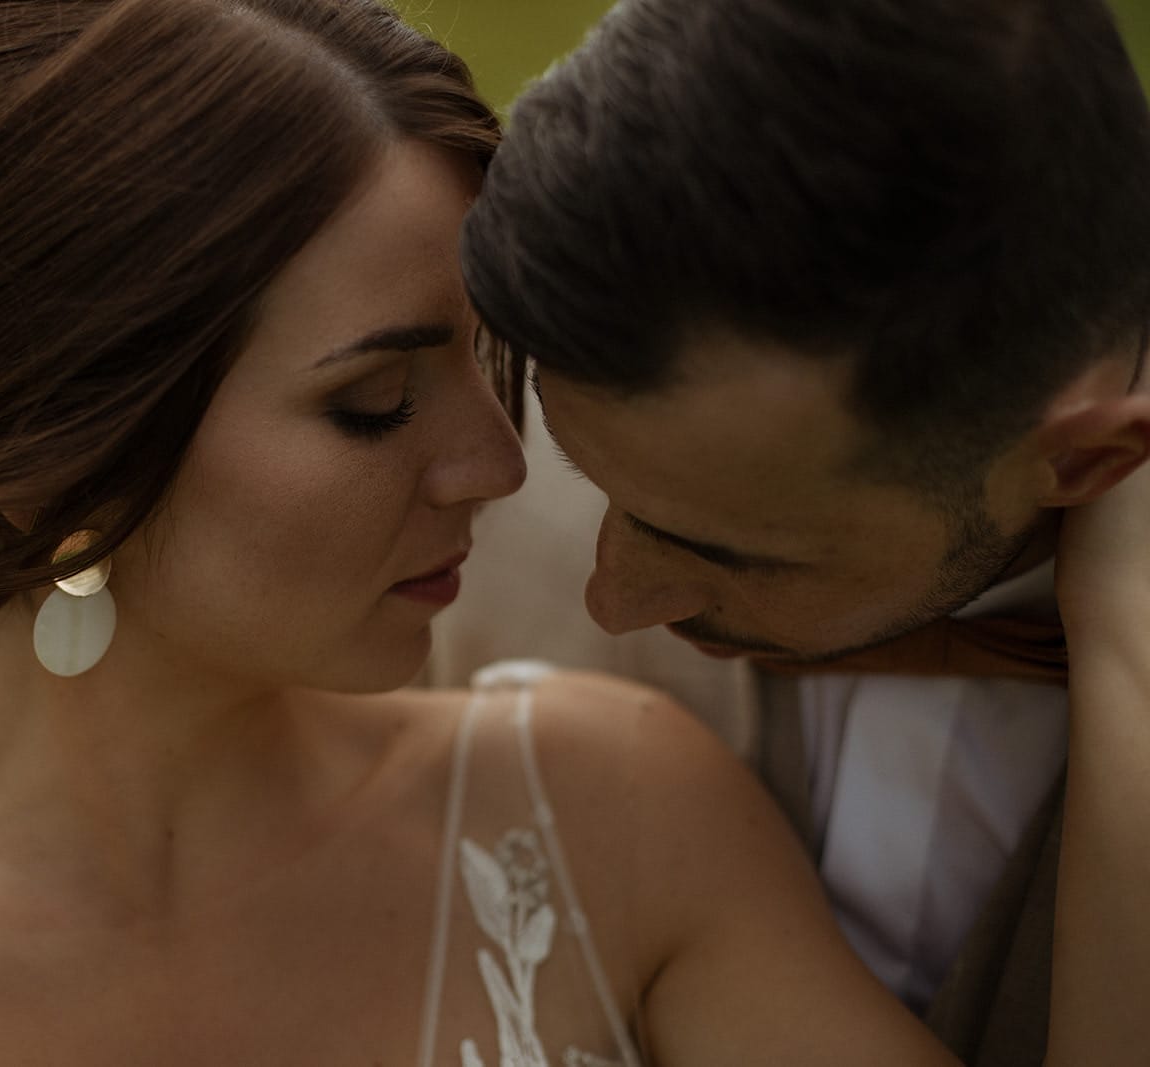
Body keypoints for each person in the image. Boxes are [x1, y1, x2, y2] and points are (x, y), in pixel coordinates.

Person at [0, 1, 1135, 1065]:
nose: (499, 469)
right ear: (54, 452)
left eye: (485, 361)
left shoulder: (614, 807)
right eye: (376, 404)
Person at [440, 0, 1150, 1063]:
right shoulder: (471, 538)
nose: (611, 597)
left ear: (1087, 461)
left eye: (722, 549)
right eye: (595, 479)